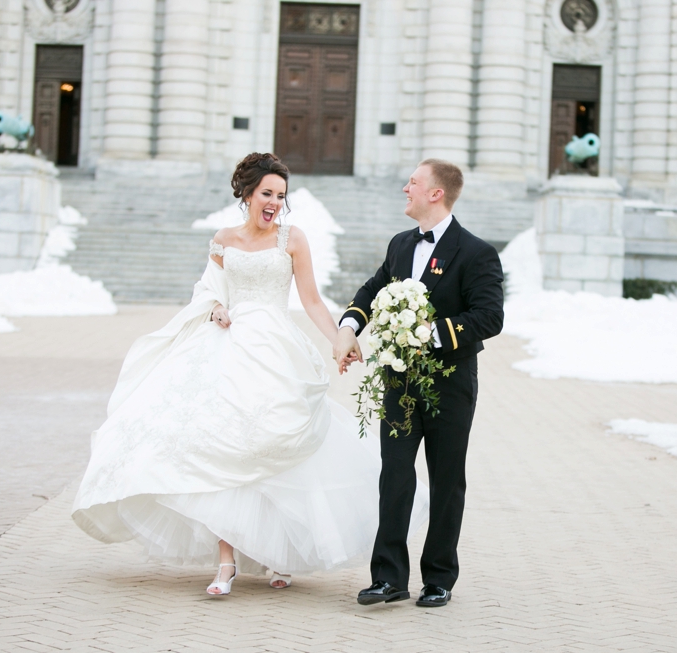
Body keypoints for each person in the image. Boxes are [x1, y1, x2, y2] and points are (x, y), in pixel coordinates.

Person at [72, 152, 426, 596]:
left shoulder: (292, 240)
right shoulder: (223, 240)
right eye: (267, 193)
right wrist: (216, 306)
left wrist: (340, 338)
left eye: (281, 195)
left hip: (277, 352)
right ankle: (226, 562)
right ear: (247, 194)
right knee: (225, 449)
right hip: (229, 351)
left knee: (277, 447)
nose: (274, 202)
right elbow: (207, 289)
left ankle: (278, 554)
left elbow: (312, 301)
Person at [335, 159, 504, 608]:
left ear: (436, 194)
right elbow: (372, 290)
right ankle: (388, 577)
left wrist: (427, 332)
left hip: (450, 383)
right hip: (399, 381)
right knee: (394, 475)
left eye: (413, 182)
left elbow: (490, 317)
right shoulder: (400, 244)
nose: (404, 188)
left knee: (446, 480)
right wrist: (349, 327)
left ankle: (439, 578)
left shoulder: (476, 252)